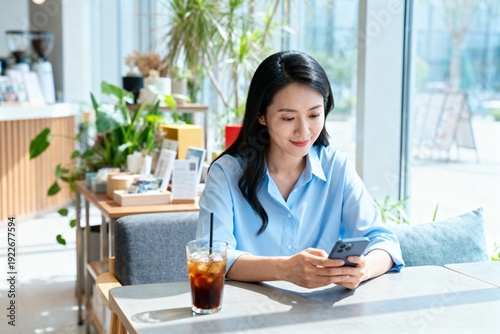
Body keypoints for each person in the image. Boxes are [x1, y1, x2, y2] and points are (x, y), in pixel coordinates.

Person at [196, 50, 404, 289]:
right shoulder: (226, 173)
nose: (304, 131)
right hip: (248, 316)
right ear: (261, 115)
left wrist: (363, 269)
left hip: (321, 313)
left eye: (314, 114)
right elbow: (210, 257)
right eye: (288, 118)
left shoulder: (337, 167)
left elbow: (385, 242)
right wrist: (285, 270)